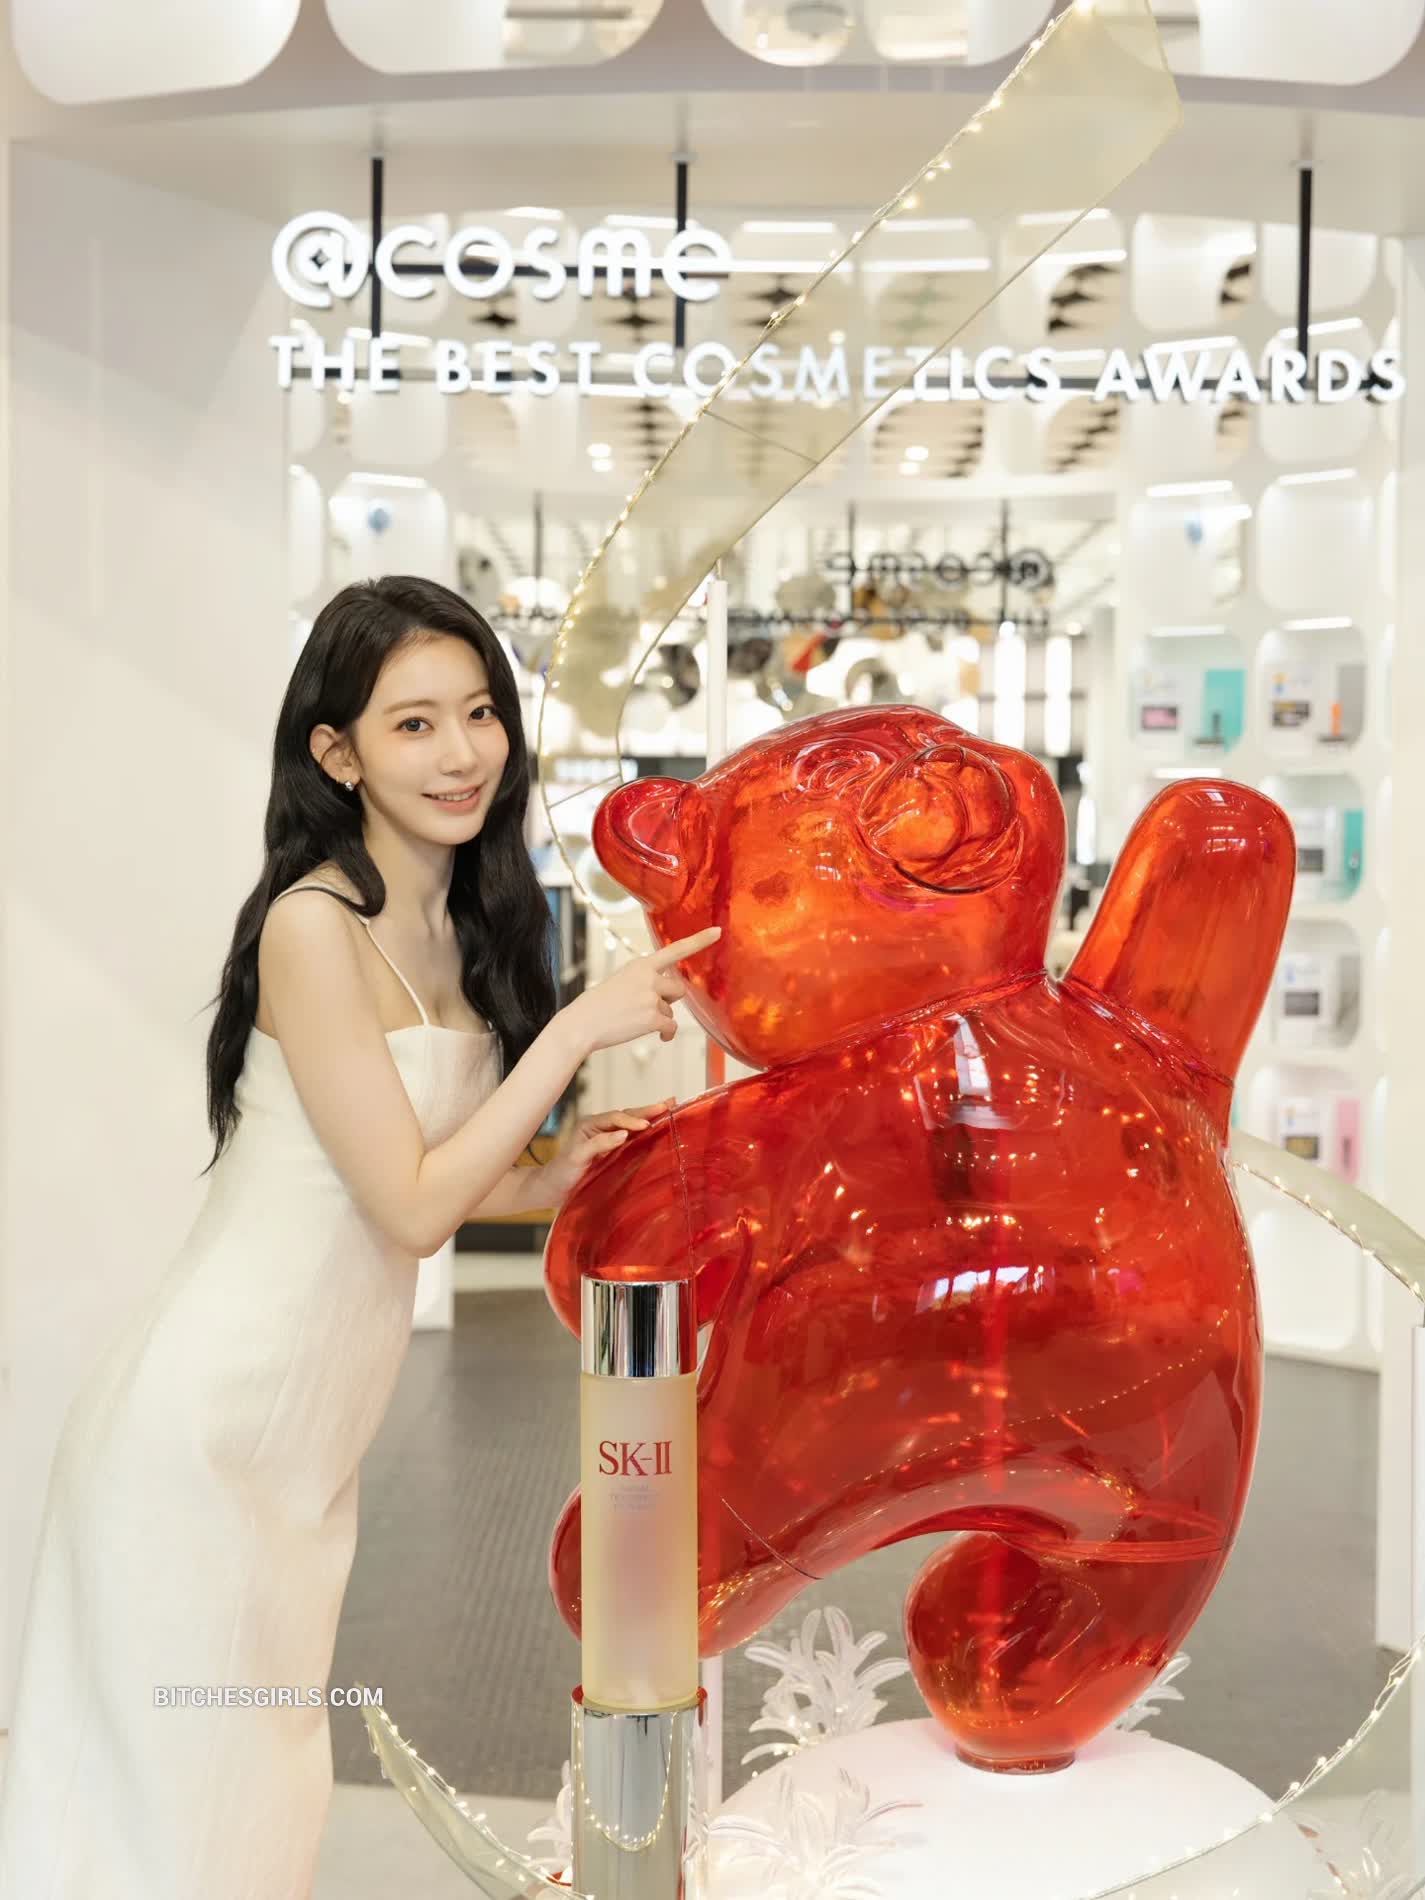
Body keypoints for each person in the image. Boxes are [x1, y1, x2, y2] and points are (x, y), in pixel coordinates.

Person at [0, 575, 719, 1899]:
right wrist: (575, 1031)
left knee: (255, 1793)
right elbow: (411, 1207)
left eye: (480, 713)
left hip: (304, 1444)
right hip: (203, 1431)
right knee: (184, 1803)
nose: (461, 753)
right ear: (338, 754)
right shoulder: (310, 926)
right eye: (413, 724)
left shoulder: (471, 920)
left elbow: (442, 1172)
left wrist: (582, 1172)